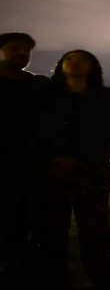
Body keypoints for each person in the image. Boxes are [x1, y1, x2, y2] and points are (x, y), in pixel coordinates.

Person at [40, 50, 110, 289]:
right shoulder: (46, 95)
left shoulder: (107, 97)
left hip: (91, 169)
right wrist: (54, 157)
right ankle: (55, 277)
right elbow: (38, 129)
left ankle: (106, 278)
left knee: (95, 227)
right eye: (69, 58)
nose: (75, 62)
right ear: (61, 65)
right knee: (52, 227)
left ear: (93, 66)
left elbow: (107, 132)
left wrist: (78, 158)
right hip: (51, 169)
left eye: (82, 59)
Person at [0, 33, 50, 287]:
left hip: (33, 167)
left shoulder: (39, 86)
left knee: (29, 225)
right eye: (14, 48)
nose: (22, 52)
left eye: (26, 49)